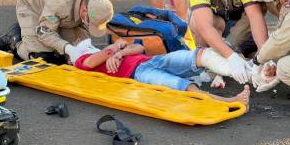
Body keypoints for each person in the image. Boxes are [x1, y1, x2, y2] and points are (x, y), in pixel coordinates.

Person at [67, 38, 250, 107]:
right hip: (138, 74)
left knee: (200, 55)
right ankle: (230, 101)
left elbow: (138, 47)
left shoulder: (107, 50)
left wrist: (121, 52)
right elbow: (92, 61)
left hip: (151, 61)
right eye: (77, 43)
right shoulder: (81, 61)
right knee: (185, 87)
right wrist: (115, 48)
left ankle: (250, 72)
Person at [189, 0, 278, 84]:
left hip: (243, 27)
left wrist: (264, 55)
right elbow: (204, 27)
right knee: (196, 22)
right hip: (218, 27)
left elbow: (254, 16)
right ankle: (208, 64)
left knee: (259, 55)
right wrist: (230, 56)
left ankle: (245, 54)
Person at [0, 0, 114, 64]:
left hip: (63, 11)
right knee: (42, 58)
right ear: (84, 10)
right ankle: (13, 40)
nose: (91, 26)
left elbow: (91, 21)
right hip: (33, 7)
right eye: (90, 23)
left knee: (80, 54)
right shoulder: (60, 1)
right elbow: (44, 32)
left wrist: (80, 46)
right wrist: (68, 49)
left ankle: (51, 32)